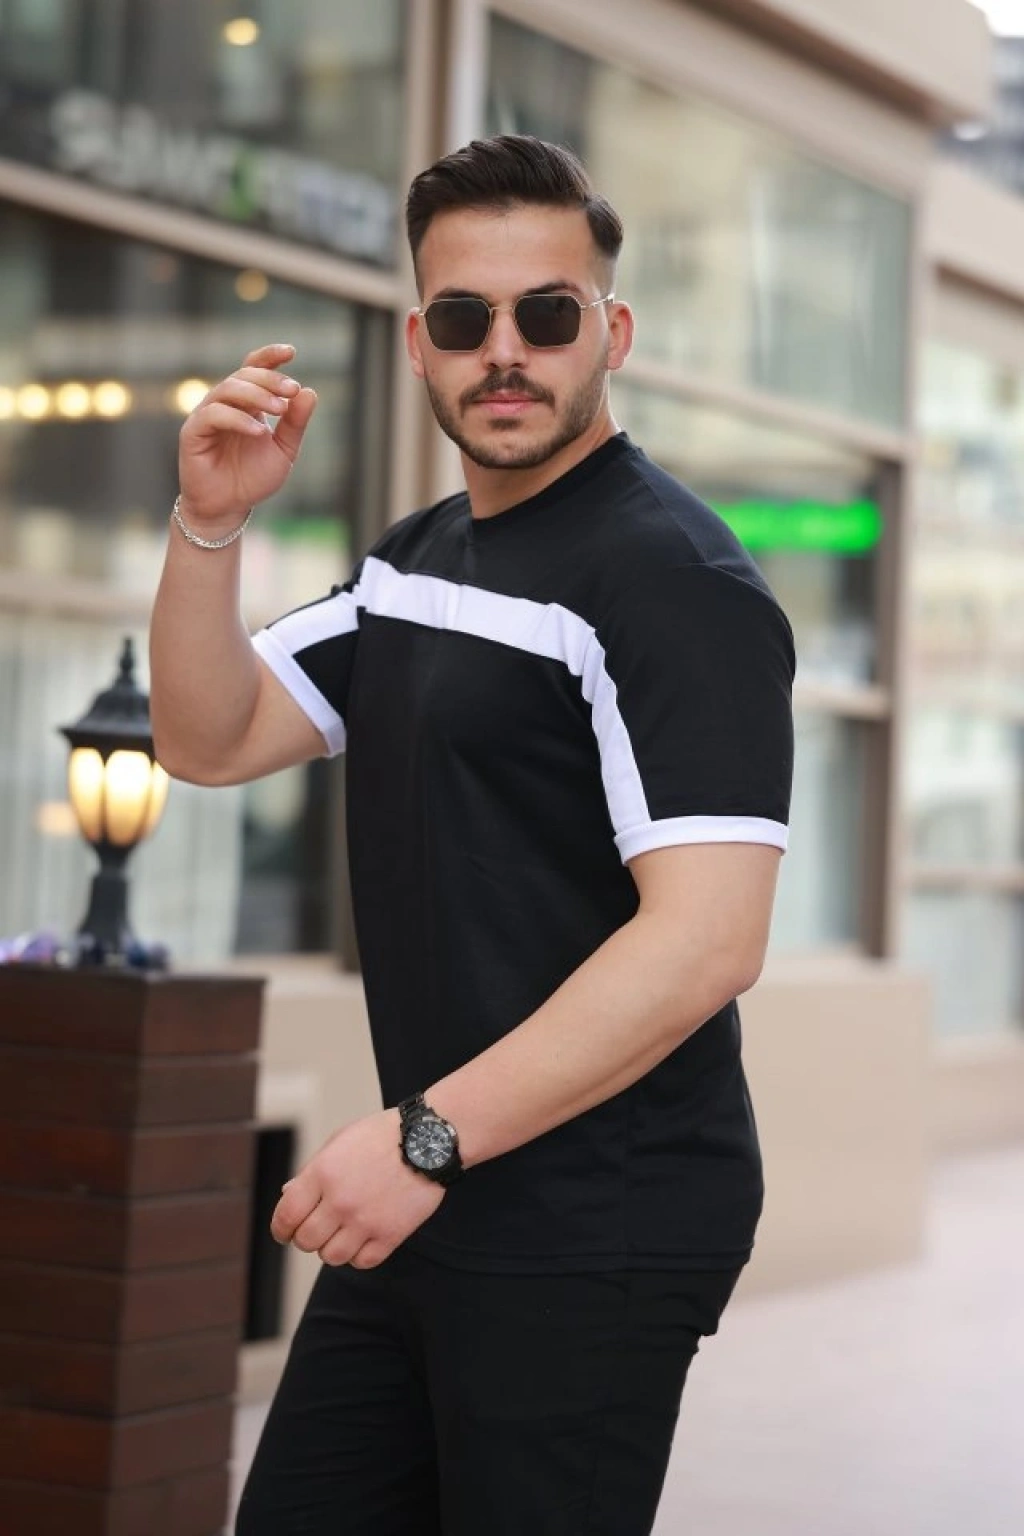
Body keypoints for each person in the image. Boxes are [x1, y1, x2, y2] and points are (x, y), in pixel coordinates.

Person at [150, 134, 795, 1536]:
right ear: (419, 345)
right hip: (439, 1190)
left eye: (547, 314)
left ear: (612, 332)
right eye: (465, 318)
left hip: (594, 1217)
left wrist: (425, 1140)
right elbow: (208, 738)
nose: (506, 351)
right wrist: (209, 524)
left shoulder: (675, 582)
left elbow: (709, 939)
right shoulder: (417, 562)